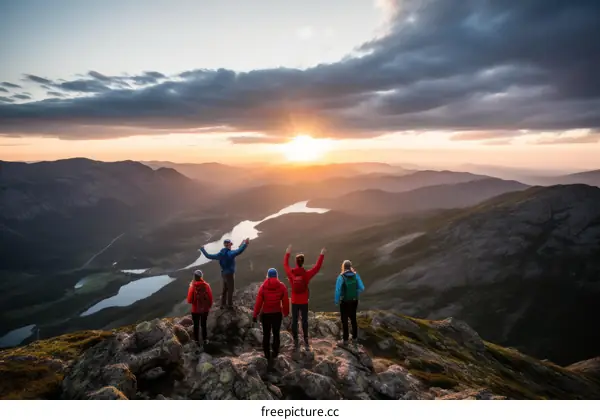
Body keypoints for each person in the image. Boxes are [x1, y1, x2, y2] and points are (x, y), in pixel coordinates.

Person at [283, 244, 326, 351]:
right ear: (303, 262)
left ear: (296, 262)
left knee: (294, 321)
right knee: (305, 320)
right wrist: (321, 255)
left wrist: (287, 253)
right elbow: (317, 267)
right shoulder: (306, 274)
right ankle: (306, 340)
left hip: (294, 300)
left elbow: (285, 265)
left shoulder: (291, 273)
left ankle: (296, 340)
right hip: (304, 301)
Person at [253, 268, 290, 371]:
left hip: (266, 315)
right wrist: (286, 312)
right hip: (277, 314)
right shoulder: (282, 286)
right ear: (276, 276)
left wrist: (255, 315)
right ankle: (275, 353)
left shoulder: (263, 287)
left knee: (266, 334)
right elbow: (285, 300)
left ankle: (267, 355)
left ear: (268, 276)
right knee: (276, 334)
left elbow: (259, 302)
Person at [200, 238, 249, 309]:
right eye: (230, 244)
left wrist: (202, 249)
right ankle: (230, 305)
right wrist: (245, 244)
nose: (231, 246)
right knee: (230, 290)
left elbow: (208, 256)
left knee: (225, 289)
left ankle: (223, 304)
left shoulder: (220, 254)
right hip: (230, 275)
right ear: (229, 245)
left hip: (224, 274)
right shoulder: (230, 253)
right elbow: (239, 251)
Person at [334, 260, 365, 346]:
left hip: (344, 301)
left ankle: (345, 340)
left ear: (343, 267)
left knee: (344, 320)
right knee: (353, 319)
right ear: (351, 266)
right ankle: (355, 338)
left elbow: (338, 290)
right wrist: (355, 293)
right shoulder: (356, 275)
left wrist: (336, 301)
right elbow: (362, 288)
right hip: (354, 300)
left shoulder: (341, 277)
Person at [186, 269, 214, 345]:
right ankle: (205, 340)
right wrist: (209, 306)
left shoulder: (192, 286)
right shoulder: (207, 285)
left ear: (194, 277)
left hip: (195, 310)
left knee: (196, 325)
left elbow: (189, 300)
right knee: (203, 324)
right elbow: (210, 298)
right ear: (201, 276)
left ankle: (196, 341)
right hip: (205, 310)